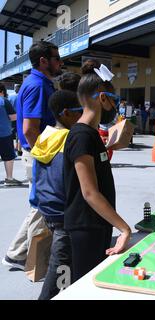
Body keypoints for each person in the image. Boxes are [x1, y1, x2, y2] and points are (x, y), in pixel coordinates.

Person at [63, 60, 131, 283]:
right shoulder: (81, 136)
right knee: (86, 286)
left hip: (97, 224)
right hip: (86, 227)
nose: (115, 107)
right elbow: (89, 193)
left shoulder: (91, 135)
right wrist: (123, 228)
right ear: (102, 98)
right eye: (115, 101)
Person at [2, 41, 63, 270]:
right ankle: (19, 253)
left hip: (35, 152)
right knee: (42, 205)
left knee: (40, 205)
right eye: (56, 58)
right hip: (38, 154)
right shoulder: (37, 85)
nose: (60, 62)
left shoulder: (38, 82)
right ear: (43, 61)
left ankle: (19, 253)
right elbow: (29, 129)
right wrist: (47, 156)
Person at [31, 90, 82, 299]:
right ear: (67, 113)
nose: (82, 116)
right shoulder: (69, 139)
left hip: (48, 208)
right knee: (59, 267)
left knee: (65, 262)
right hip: (64, 212)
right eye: (80, 111)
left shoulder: (46, 135)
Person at [0, 83, 21, 186]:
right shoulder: (4, 101)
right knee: (8, 157)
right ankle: (9, 179)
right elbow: (13, 117)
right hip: (4, 134)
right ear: (2, 91)